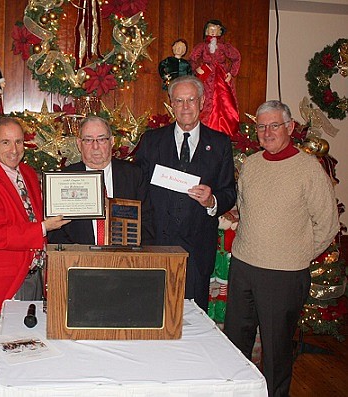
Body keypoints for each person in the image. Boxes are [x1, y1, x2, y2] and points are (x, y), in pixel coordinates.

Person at [224, 100, 339, 397]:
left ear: (289, 127)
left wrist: (296, 253)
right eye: (262, 126)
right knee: (235, 343)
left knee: (275, 352)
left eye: (275, 125)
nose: (267, 132)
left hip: (284, 275)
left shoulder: (308, 169)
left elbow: (327, 225)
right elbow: (244, 208)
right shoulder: (251, 164)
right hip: (244, 268)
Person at [0, 117, 70, 397]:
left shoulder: (26, 173)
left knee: (29, 351)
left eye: (18, 141)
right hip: (3, 285)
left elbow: (36, 212)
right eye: (5, 142)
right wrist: (43, 228)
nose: (14, 149)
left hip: (33, 278)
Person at [134, 75, 236, 312]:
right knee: (153, 314)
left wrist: (212, 200)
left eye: (191, 100)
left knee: (194, 319)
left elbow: (229, 191)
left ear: (202, 102)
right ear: (171, 104)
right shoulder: (151, 141)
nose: (185, 107)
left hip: (198, 249)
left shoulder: (219, 143)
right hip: (157, 245)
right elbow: (137, 188)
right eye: (179, 101)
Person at [48, 115, 151, 245]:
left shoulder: (134, 175)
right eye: (88, 140)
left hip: (125, 259)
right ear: (79, 144)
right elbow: (55, 231)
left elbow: (147, 223)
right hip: (78, 260)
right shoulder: (64, 179)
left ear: (112, 142)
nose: (95, 146)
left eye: (101, 139)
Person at [189, 20, 241, 137]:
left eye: (215, 29)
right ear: (206, 31)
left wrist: (231, 73)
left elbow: (236, 58)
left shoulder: (224, 47)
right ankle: (204, 128)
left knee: (224, 102)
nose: (212, 32)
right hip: (206, 77)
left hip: (221, 77)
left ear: (220, 31)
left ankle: (226, 129)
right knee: (205, 100)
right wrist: (197, 68)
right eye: (210, 29)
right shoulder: (202, 46)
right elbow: (192, 59)